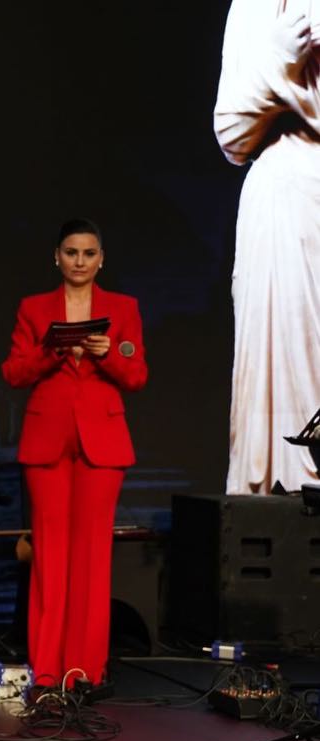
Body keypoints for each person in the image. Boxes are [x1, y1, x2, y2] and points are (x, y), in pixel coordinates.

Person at [1, 219, 147, 690]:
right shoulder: (34, 308)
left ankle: (84, 670)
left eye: (88, 253)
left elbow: (137, 376)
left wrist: (108, 354)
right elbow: (14, 373)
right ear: (56, 257)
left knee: (92, 557)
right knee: (49, 556)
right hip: (48, 443)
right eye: (71, 252)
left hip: (102, 444)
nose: (79, 261)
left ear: (101, 259)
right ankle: (46, 670)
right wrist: (51, 350)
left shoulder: (123, 308)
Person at [215, 0, 320, 494]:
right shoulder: (257, 6)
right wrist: (277, 61)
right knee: (285, 378)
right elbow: (231, 132)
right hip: (284, 204)